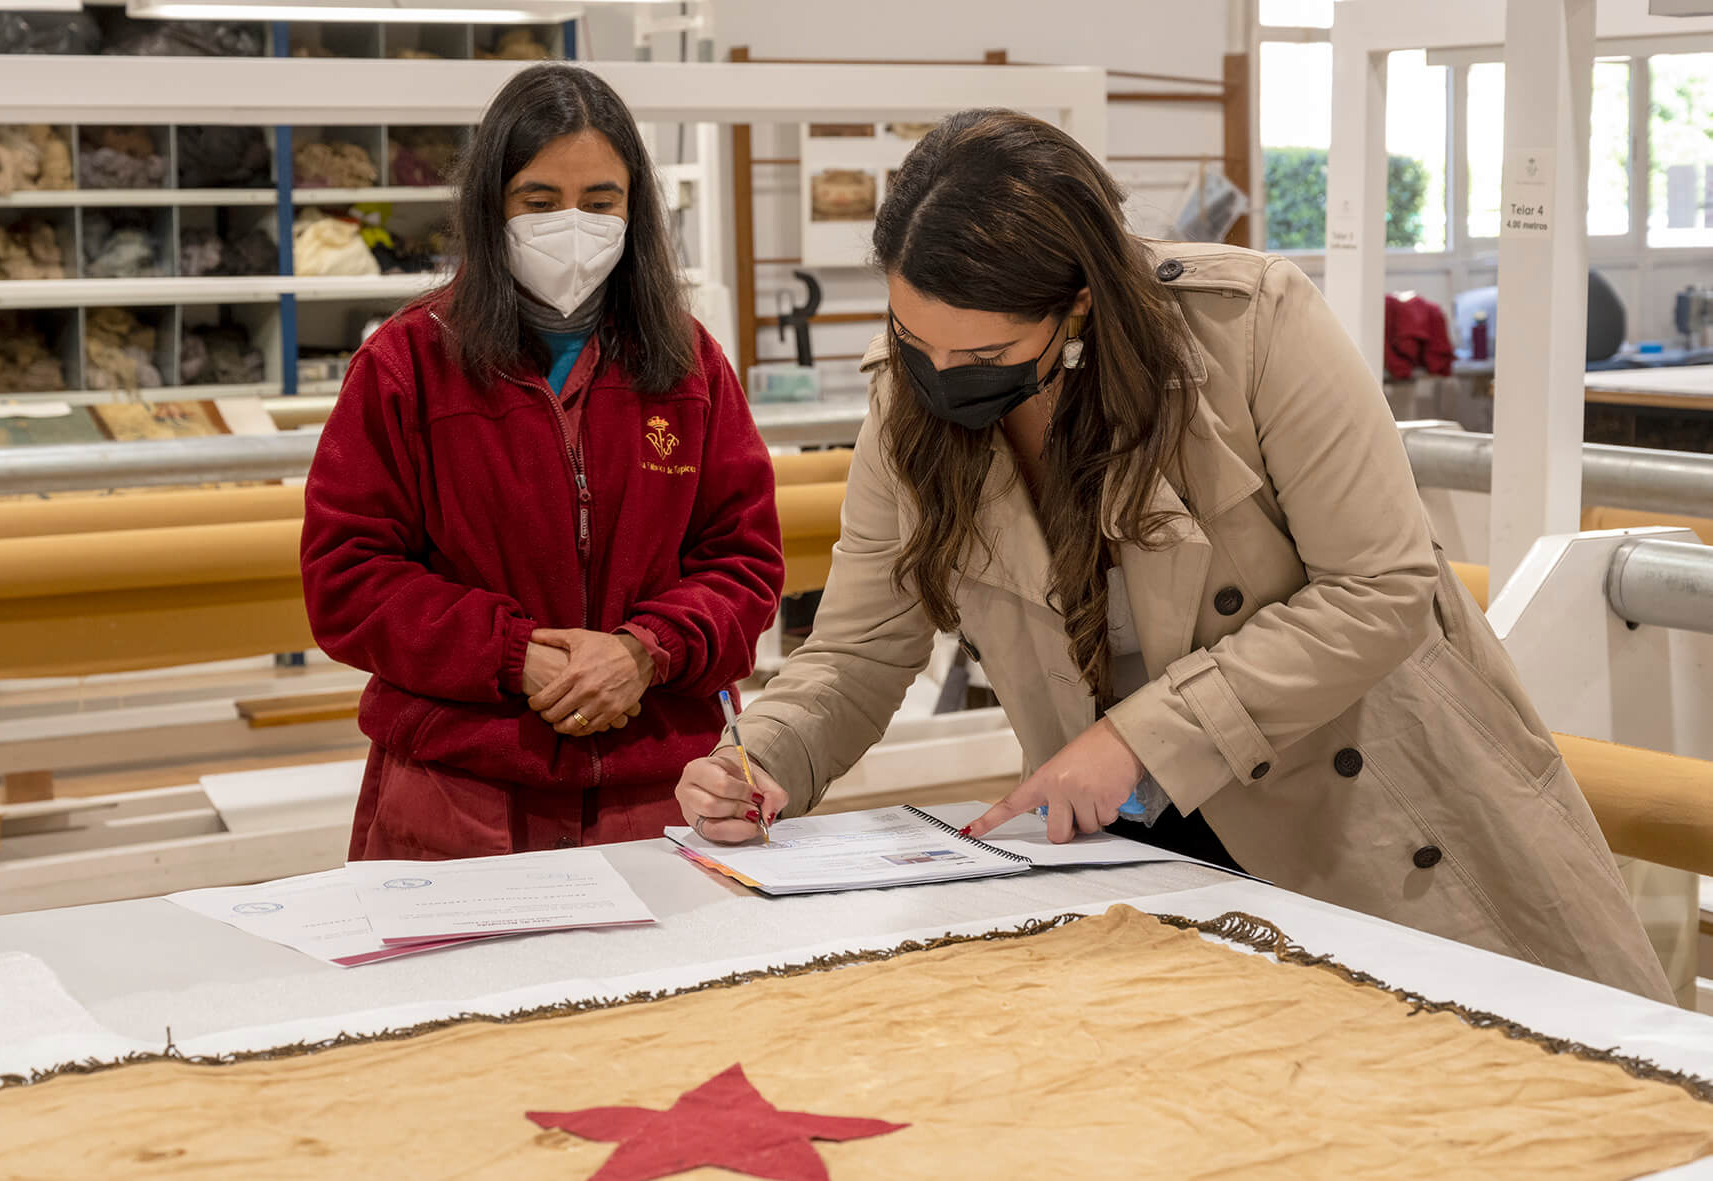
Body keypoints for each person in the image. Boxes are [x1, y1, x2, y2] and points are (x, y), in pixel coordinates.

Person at [675, 109, 1673, 1002]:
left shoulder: (1250, 327)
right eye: (910, 337)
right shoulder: (911, 401)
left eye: (981, 358)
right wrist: (768, 755)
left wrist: (1140, 736)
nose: (940, 378)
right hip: (1134, 849)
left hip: (1376, 814)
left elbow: (1379, 590)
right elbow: (860, 643)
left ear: (1075, 305)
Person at [302, 64, 783, 860]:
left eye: (600, 202)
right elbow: (347, 576)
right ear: (494, 206)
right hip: (461, 798)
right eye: (539, 201)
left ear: (634, 209)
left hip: (658, 792)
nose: (572, 224)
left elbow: (746, 561)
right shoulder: (407, 365)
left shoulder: (687, 364)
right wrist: (511, 654)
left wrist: (642, 650)